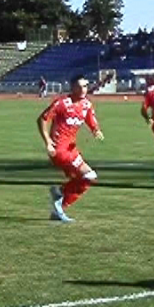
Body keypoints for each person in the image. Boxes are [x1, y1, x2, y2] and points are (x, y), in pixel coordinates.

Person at [39, 75, 104, 222]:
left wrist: (96, 130)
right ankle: (60, 201)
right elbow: (42, 119)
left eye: (85, 86)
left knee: (82, 179)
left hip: (71, 149)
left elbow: (90, 118)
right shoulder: (62, 103)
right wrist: (48, 141)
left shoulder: (86, 104)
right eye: (79, 86)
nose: (83, 89)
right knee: (89, 176)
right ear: (72, 87)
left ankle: (59, 197)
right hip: (59, 150)